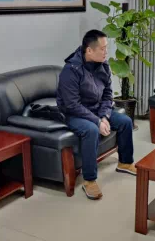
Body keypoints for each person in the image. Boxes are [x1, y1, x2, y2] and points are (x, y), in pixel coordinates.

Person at [57, 30, 136, 200]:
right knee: (91, 130)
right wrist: (97, 121)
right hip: (74, 114)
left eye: (106, 48)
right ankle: (89, 180)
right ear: (89, 50)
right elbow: (72, 105)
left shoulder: (103, 66)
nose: (106, 52)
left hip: (96, 109)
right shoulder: (70, 70)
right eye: (102, 48)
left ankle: (125, 162)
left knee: (125, 121)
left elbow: (108, 95)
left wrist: (105, 116)